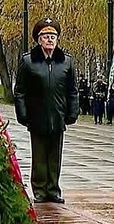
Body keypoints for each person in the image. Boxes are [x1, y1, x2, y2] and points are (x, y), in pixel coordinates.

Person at [13, 17, 79, 204]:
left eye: (53, 36)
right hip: (37, 116)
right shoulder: (28, 62)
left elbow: (72, 90)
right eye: (46, 36)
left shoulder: (66, 62)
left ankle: (53, 190)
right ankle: (40, 190)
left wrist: (72, 112)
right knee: (39, 156)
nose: (50, 39)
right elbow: (20, 91)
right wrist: (23, 114)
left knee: (55, 156)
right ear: (38, 39)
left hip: (58, 116)